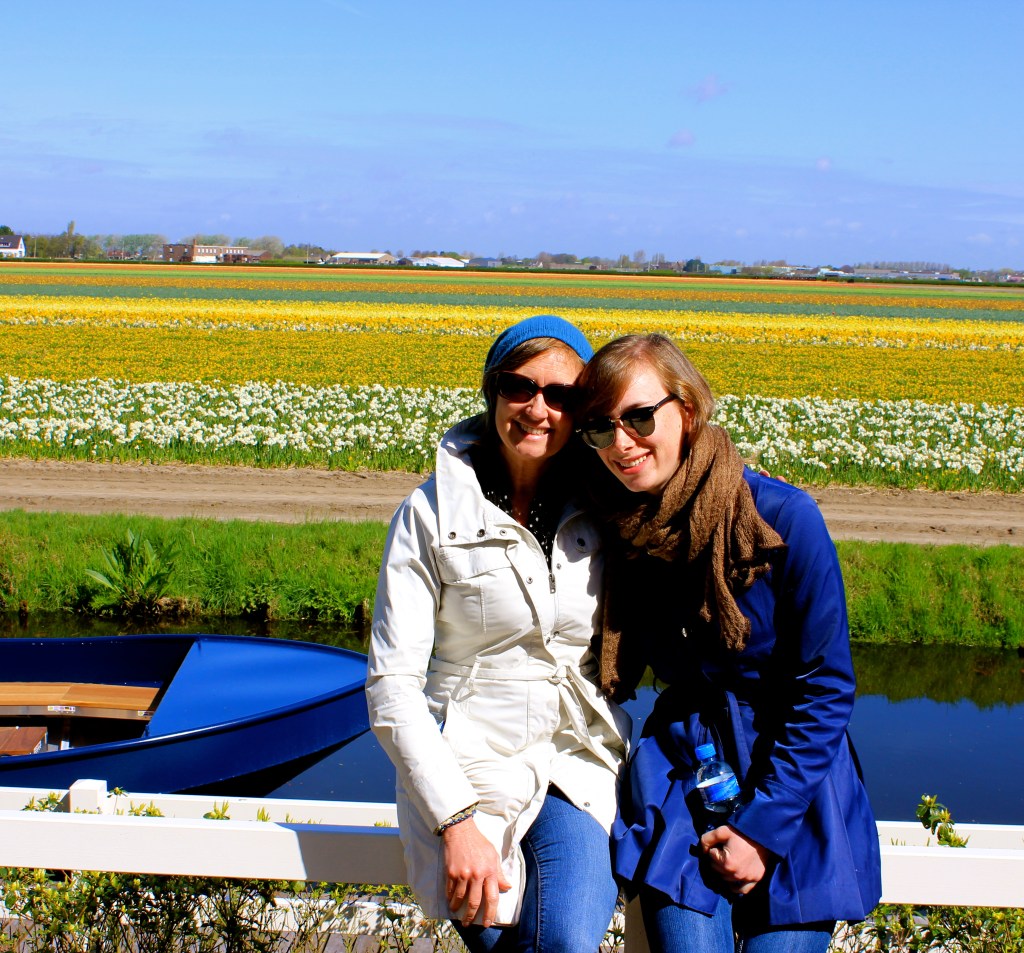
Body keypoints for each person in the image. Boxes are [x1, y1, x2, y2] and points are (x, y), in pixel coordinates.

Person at [574, 333, 882, 953]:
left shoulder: (781, 520)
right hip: (685, 772)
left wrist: (761, 829)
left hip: (793, 780)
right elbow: (522, 451)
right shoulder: (619, 523)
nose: (622, 443)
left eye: (639, 417)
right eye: (601, 428)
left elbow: (825, 690)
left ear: (687, 409)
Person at [365, 315, 632, 952]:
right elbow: (391, 688)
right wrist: (454, 821)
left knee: (565, 938)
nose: (538, 409)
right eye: (520, 386)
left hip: (573, 757)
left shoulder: (607, 507)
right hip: (465, 765)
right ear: (492, 393)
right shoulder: (429, 514)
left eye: (560, 394)